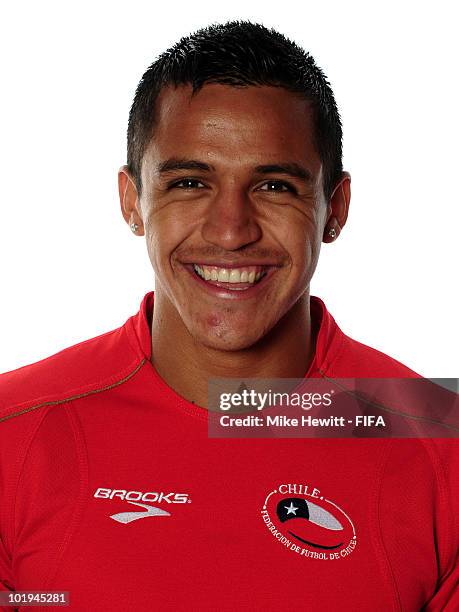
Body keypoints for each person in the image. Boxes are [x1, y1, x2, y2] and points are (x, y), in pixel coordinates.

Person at [0, 21, 457, 612]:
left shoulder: (439, 446)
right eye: (190, 182)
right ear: (132, 201)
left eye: (274, 185)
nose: (231, 231)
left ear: (334, 210)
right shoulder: (13, 434)